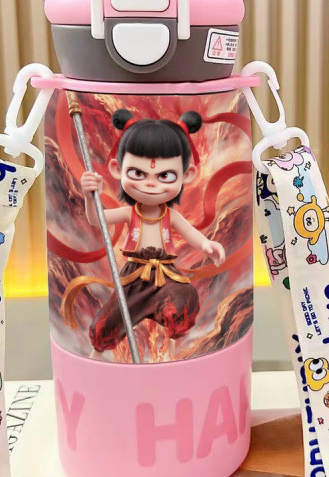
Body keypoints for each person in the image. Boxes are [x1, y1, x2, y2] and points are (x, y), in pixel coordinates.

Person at [60, 109, 225, 355]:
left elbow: (194, 236)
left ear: (187, 175)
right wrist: (89, 196)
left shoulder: (171, 216)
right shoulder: (130, 213)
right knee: (109, 321)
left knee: (182, 300)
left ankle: (172, 353)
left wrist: (207, 245)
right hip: (134, 277)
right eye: (138, 173)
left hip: (166, 275)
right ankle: (97, 359)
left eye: (165, 175)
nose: (150, 183)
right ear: (117, 169)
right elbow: (97, 220)